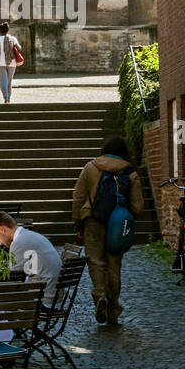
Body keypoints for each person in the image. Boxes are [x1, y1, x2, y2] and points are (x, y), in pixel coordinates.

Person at [73, 137, 144, 326]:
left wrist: (78, 224)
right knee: (114, 264)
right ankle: (113, 307)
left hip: (93, 221)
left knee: (95, 261)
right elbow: (138, 206)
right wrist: (125, 216)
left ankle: (100, 295)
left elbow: (78, 197)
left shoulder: (91, 167)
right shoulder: (130, 172)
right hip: (118, 224)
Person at [0, 212, 62, 307]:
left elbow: (13, 279)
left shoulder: (18, 242)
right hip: (53, 295)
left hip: (42, 299)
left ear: (2, 229)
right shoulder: (29, 235)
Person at [0, 21, 22, 103]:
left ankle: (6, 98)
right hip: (12, 62)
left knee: (3, 81)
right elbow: (19, 48)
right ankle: (8, 99)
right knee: (9, 82)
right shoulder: (12, 39)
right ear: (7, 31)